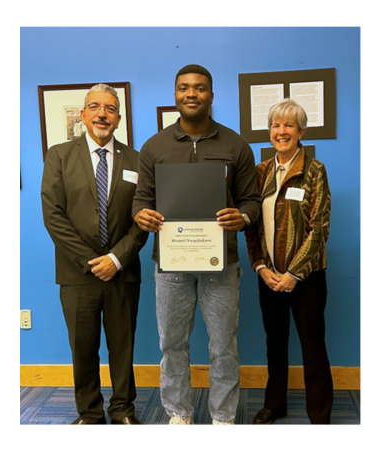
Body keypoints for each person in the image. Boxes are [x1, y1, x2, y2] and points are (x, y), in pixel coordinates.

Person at [132, 64, 261, 425]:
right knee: (172, 344)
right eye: (185, 88)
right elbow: (140, 200)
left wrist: (244, 217)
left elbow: (252, 201)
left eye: (200, 88)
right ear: (175, 95)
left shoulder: (236, 145)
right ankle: (179, 412)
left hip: (222, 264)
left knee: (223, 346)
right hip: (171, 264)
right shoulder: (154, 147)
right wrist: (142, 215)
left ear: (211, 96)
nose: (192, 94)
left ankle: (223, 416)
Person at [41, 84, 148, 424]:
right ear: (84, 114)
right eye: (96, 107)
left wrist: (116, 259)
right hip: (77, 274)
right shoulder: (59, 155)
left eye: (111, 108)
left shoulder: (136, 160)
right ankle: (89, 412)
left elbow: (144, 217)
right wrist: (92, 262)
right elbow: (53, 215)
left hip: (123, 270)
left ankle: (122, 409)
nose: (103, 114)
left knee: (122, 347)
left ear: (118, 118)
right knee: (83, 348)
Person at [245, 99, 333, 424]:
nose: (281, 132)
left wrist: (293, 274)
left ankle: (320, 414)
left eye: (288, 125)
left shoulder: (315, 171)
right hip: (267, 276)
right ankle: (275, 403)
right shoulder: (261, 172)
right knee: (274, 344)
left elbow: (319, 228)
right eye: (276, 126)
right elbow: (252, 225)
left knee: (312, 347)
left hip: (306, 279)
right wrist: (260, 267)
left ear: (301, 131)